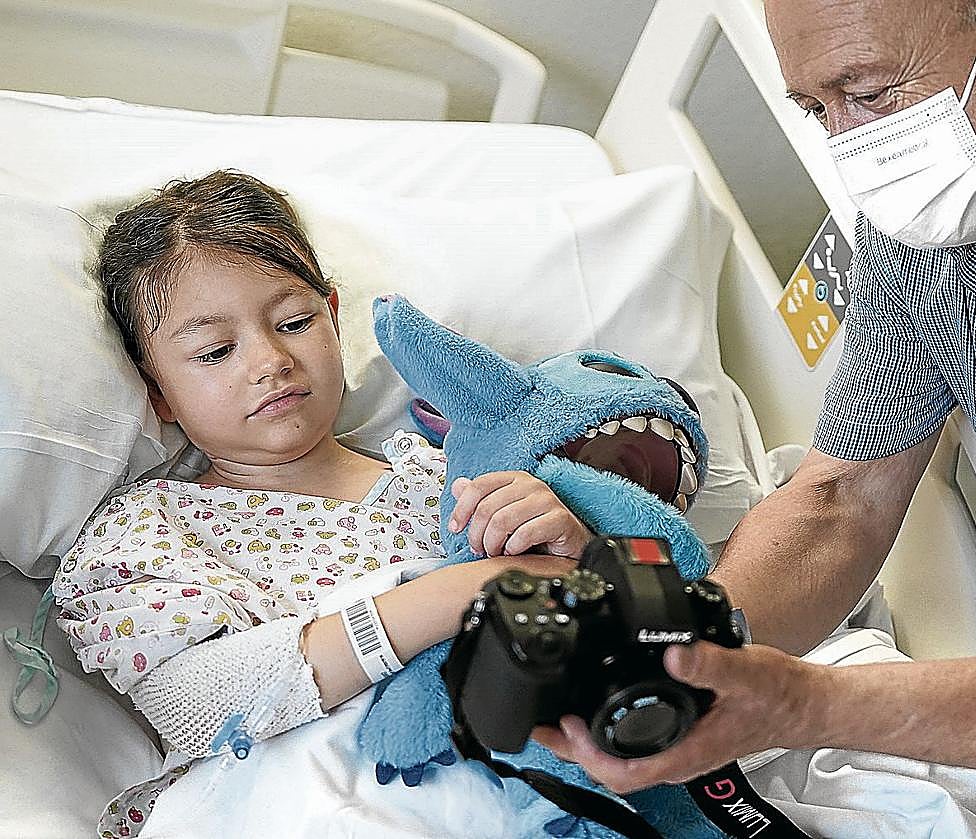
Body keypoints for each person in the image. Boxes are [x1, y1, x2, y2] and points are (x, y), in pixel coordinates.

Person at [534, 0, 976, 835]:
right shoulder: (946, 191)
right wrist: (678, 651)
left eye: (873, 92)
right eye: (817, 109)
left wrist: (802, 703)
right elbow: (842, 500)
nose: (853, 152)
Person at [53, 169, 589, 836]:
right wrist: (468, 589)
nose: (271, 359)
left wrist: (568, 543)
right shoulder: (148, 534)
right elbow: (199, 706)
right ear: (157, 393)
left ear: (333, 318)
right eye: (216, 350)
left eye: (295, 321)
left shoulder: (446, 478)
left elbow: (589, 612)